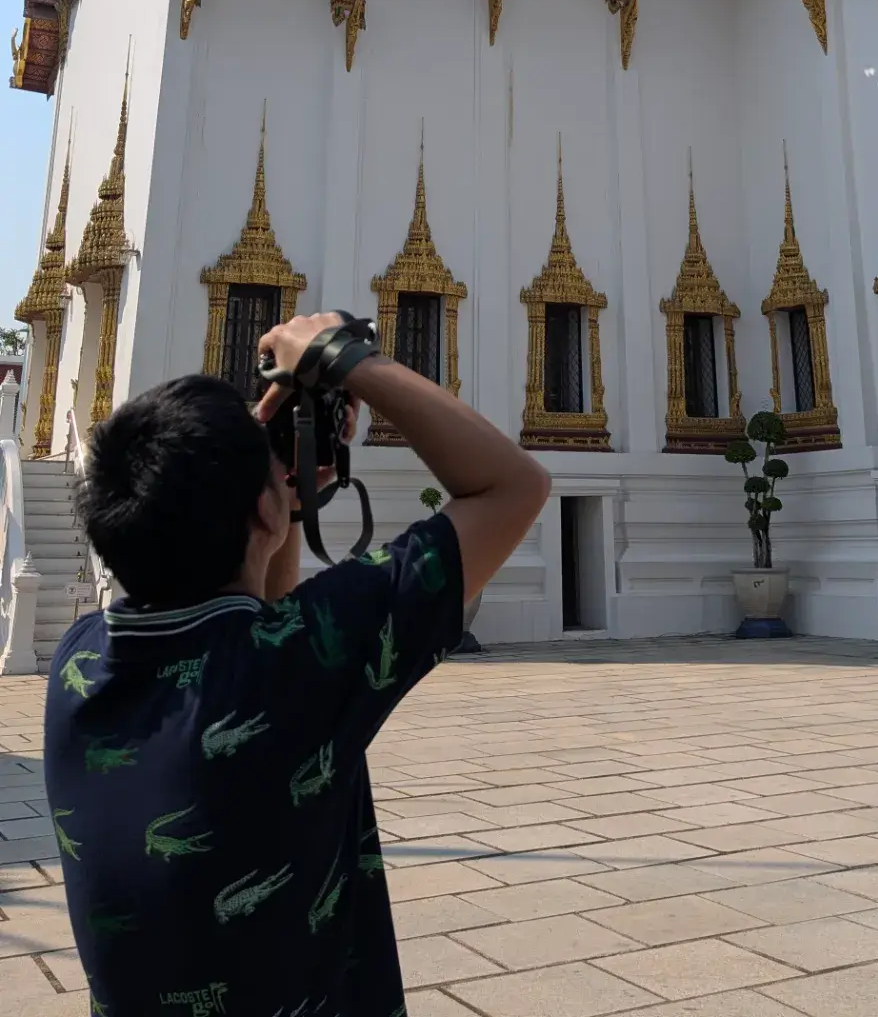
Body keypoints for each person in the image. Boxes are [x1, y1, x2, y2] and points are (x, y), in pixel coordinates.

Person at [44, 311, 550, 1017]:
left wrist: (273, 486)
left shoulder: (80, 662)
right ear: (264, 511)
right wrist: (342, 357)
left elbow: (259, 619)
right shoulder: (302, 661)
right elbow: (514, 487)